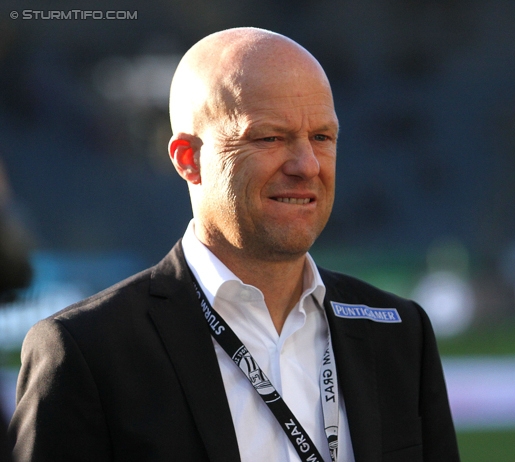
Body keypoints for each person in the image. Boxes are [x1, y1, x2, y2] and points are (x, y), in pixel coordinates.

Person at [8, 28, 459, 462]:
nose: (307, 165)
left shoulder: (399, 332)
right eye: (269, 138)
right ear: (189, 159)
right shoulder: (86, 351)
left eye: (322, 136)